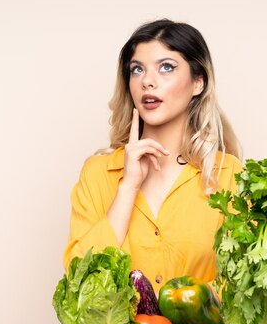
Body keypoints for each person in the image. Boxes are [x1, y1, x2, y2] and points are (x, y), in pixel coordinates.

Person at [62, 19, 243, 292]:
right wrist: (128, 188)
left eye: (166, 67)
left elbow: (242, 282)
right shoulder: (98, 173)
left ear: (198, 82)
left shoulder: (228, 174)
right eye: (137, 70)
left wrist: (178, 318)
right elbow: (80, 282)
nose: (147, 81)